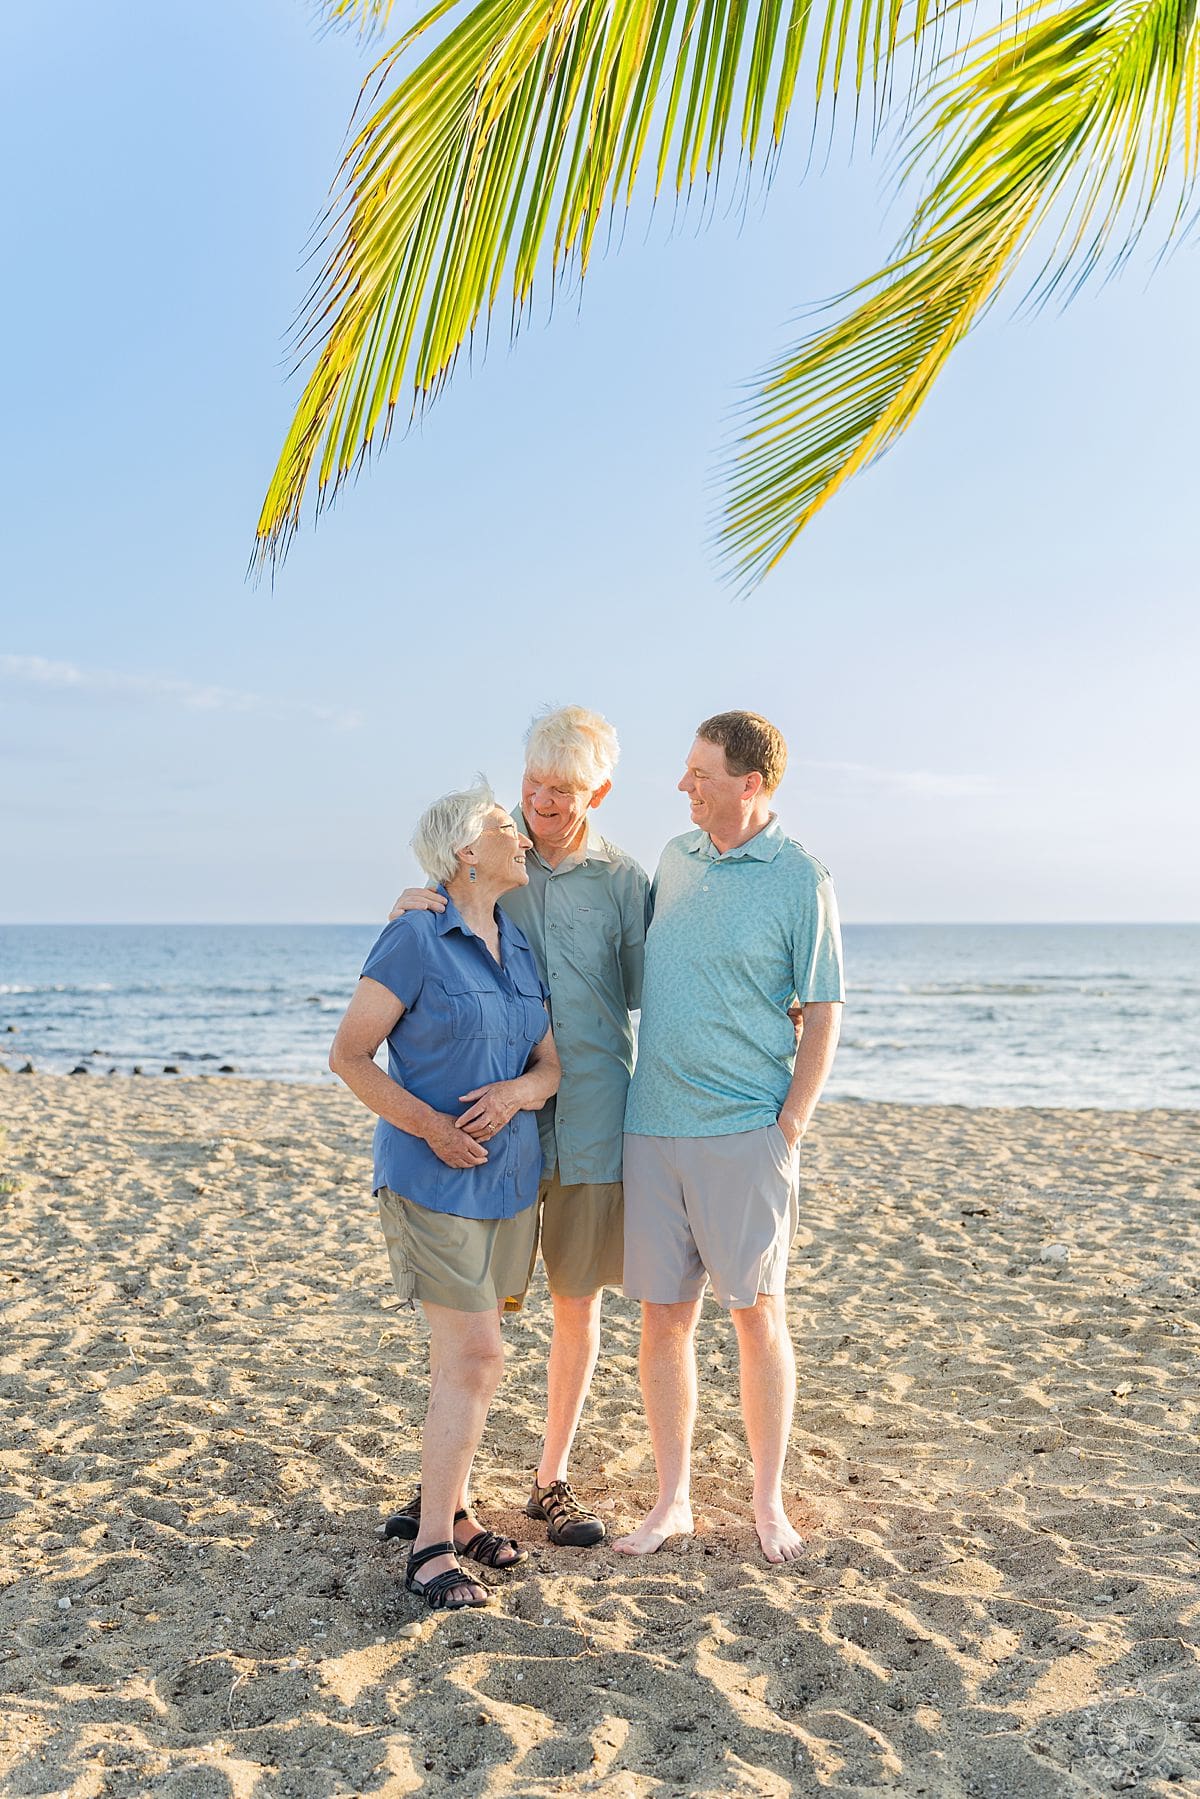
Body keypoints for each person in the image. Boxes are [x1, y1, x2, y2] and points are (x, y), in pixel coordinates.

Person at [387, 707, 651, 1548]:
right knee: (473, 1314)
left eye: (561, 789)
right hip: (494, 1128)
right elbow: (444, 922)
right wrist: (411, 897)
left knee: (574, 1301)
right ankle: (449, 1495)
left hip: (592, 1116)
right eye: (530, 783)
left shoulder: (624, 881)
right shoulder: (501, 861)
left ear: (598, 791)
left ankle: (549, 1481)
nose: (538, 800)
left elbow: (661, 988)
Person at [616, 712, 844, 1565]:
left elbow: (822, 1008)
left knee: (757, 1316)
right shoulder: (676, 859)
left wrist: (789, 1125)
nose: (685, 786)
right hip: (653, 1125)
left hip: (747, 1130)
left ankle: (767, 1501)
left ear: (749, 784)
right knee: (662, 1321)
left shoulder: (800, 878)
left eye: (700, 773)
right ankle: (672, 1498)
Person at [328, 783, 561, 1610]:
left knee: (468, 1358)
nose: (523, 837)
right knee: (477, 1355)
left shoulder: (519, 947)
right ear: (467, 851)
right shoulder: (414, 937)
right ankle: (430, 1546)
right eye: (507, 827)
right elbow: (349, 1055)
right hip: (430, 1181)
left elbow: (550, 1065)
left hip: (508, 1187)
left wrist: (519, 1095)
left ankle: (455, 1511)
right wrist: (431, 1126)